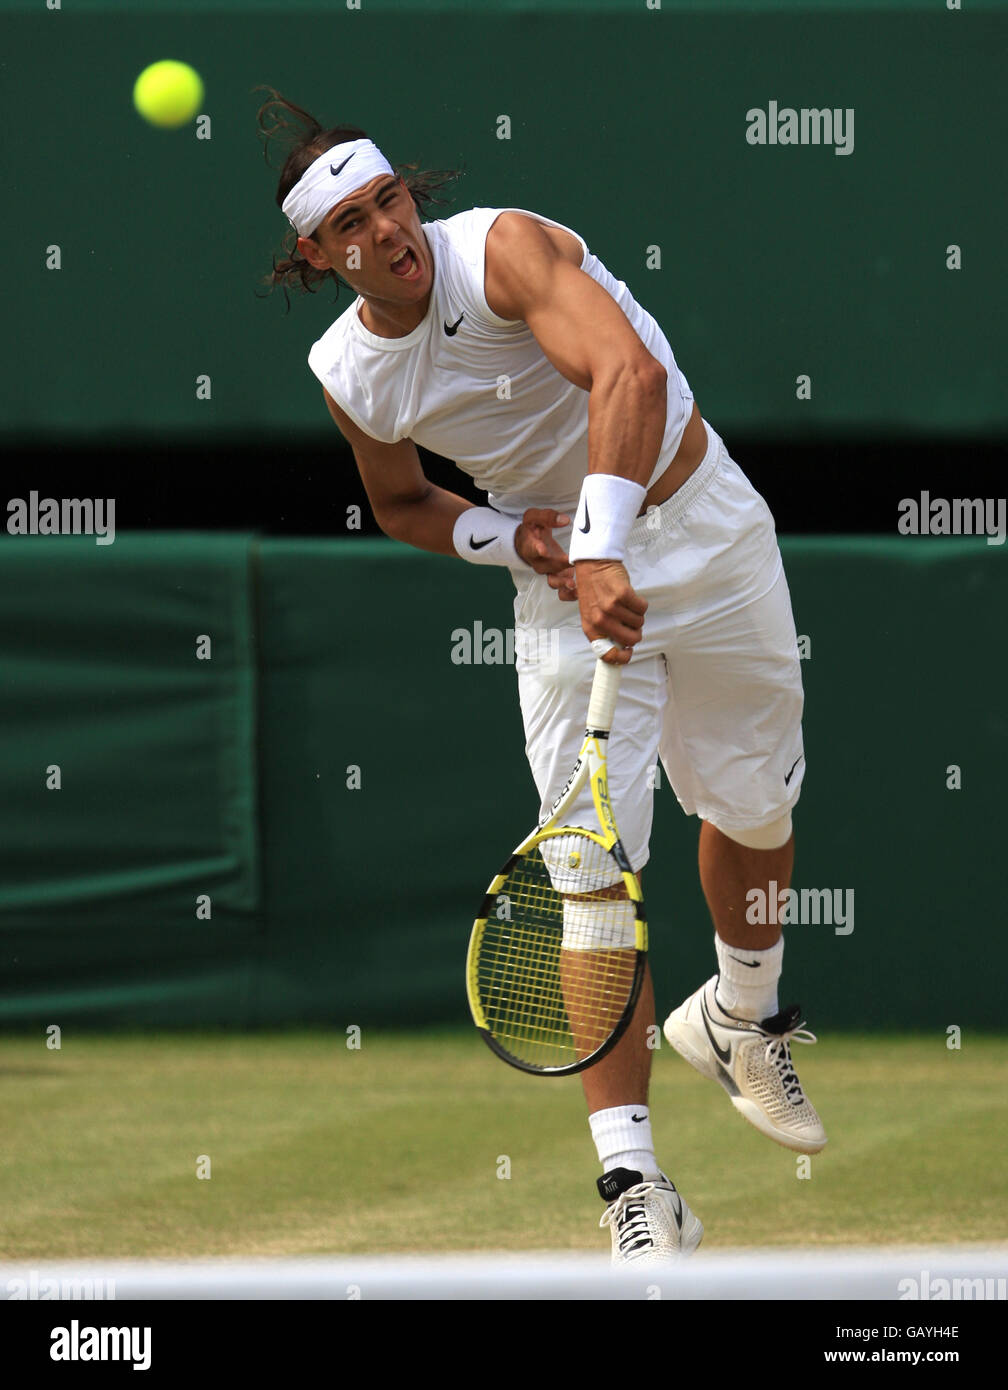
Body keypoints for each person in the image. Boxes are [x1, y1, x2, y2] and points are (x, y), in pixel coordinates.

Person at [258, 92, 826, 1268]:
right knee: (589, 877)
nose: (391, 230)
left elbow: (628, 376)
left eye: (393, 199)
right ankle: (633, 1184)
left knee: (754, 807)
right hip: (563, 582)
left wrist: (607, 542)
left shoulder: (502, 248)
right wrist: (522, 542)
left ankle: (738, 1016)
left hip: (701, 528)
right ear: (320, 256)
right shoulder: (348, 371)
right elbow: (404, 504)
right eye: (356, 224)